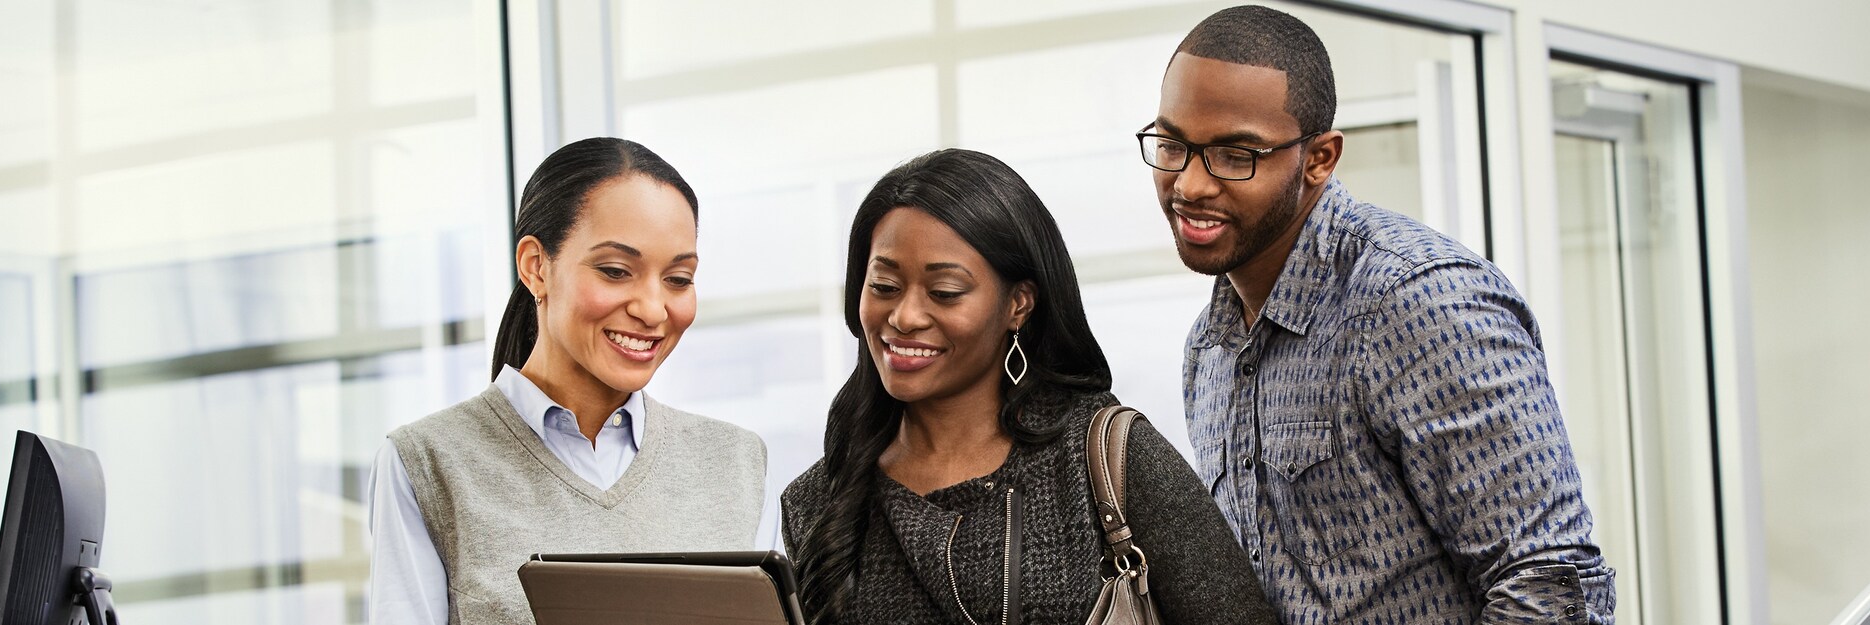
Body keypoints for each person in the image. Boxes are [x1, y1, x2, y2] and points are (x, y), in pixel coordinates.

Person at [1140, 6, 1617, 624]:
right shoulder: (1210, 346)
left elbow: (1552, 587)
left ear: (1320, 158)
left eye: (1236, 155)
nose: (1191, 184)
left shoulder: (1415, 302)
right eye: (1173, 145)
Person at [781, 148, 1277, 625]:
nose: (904, 316)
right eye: (883, 287)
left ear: (1018, 303)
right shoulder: (816, 502)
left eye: (945, 292)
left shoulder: (1104, 457)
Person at [365, 137, 767, 624]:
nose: (653, 308)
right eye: (617, 271)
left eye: (679, 279)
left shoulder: (736, 464)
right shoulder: (427, 463)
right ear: (536, 266)